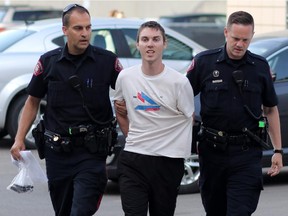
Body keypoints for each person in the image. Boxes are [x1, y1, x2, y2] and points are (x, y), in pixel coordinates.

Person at [10, 4, 122, 216]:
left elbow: (126, 98)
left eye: (88, 28)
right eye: (78, 28)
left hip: (92, 153)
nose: (85, 33)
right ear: (65, 30)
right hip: (58, 154)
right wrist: (18, 138)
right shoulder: (48, 62)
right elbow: (32, 101)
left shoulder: (107, 61)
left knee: (80, 211)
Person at [187, 11, 283, 216]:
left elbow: (270, 108)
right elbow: (181, 98)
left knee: (240, 211)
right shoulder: (204, 62)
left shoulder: (259, 66)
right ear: (225, 33)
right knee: (215, 210)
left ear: (252, 36)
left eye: (245, 40)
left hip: (246, 153)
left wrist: (278, 151)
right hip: (212, 152)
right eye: (235, 38)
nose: (240, 44)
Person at [113, 21, 195, 216]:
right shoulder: (125, 77)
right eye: (145, 39)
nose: (150, 44)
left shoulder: (179, 82)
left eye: (156, 39)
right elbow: (120, 110)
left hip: (167, 162)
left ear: (164, 44)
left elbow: (189, 119)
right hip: (133, 159)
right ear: (138, 44)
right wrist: (132, 135)